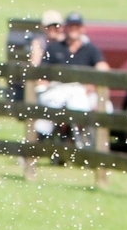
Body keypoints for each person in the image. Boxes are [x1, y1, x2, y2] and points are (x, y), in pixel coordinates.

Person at [31, 11, 112, 147]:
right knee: (51, 110)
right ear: (65, 28)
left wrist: (93, 83)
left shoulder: (90, 50)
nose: (73, 29)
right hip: (59, 90)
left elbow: (103, 68)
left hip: (82, 92)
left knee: (95, 107)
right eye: (70, 26)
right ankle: (38, 145)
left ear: (82, 29)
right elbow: (41, 75)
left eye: (77, 26)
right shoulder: (54, 48)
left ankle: (87, 146)